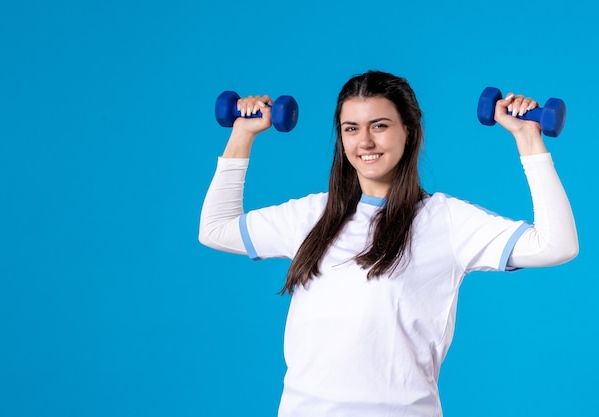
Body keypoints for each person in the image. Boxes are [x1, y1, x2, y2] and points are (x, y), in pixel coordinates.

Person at [198, 70, 578, 417]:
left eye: (379, 125)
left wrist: (529, 140)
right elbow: (215, 229)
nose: (364, 141)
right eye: (351, 128)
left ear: (409, 130)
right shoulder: (311, 215)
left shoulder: (445, 220)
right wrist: (241, 135)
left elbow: (556, 244)